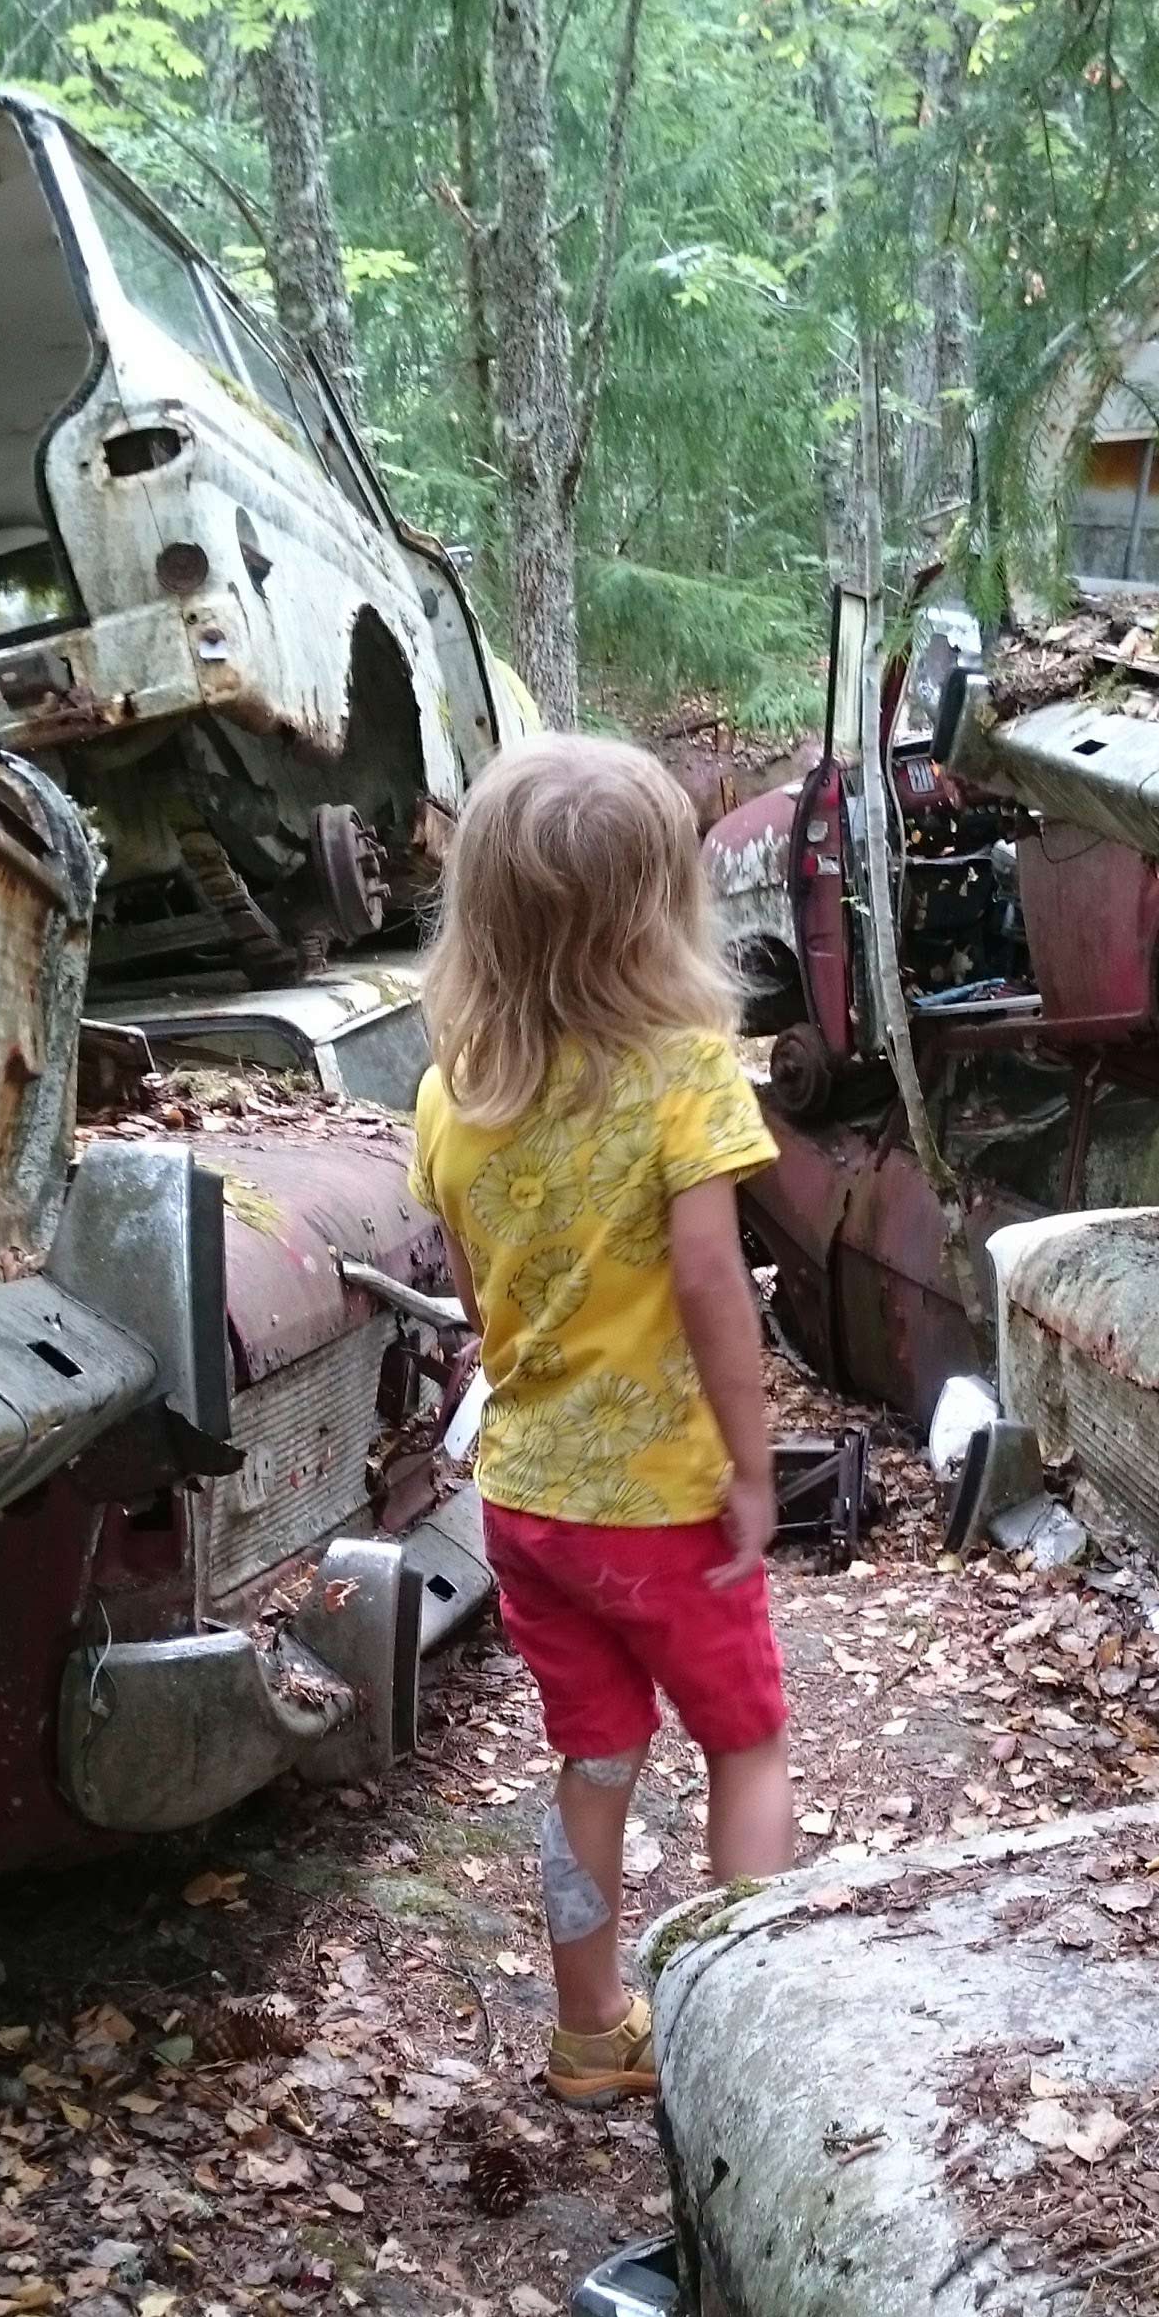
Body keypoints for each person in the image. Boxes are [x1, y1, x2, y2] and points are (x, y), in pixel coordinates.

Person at [409, 732, 798, 2110]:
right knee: (745, 1741)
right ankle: (757, 2049)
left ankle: (587, 2035)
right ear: (659, 907)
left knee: (596, 1754)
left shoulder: (453, 1091)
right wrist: (752, 1467)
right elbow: (711, 1283)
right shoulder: (683, 1070)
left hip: (527, 1504)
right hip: (658, 1504)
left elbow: (476, 1297)